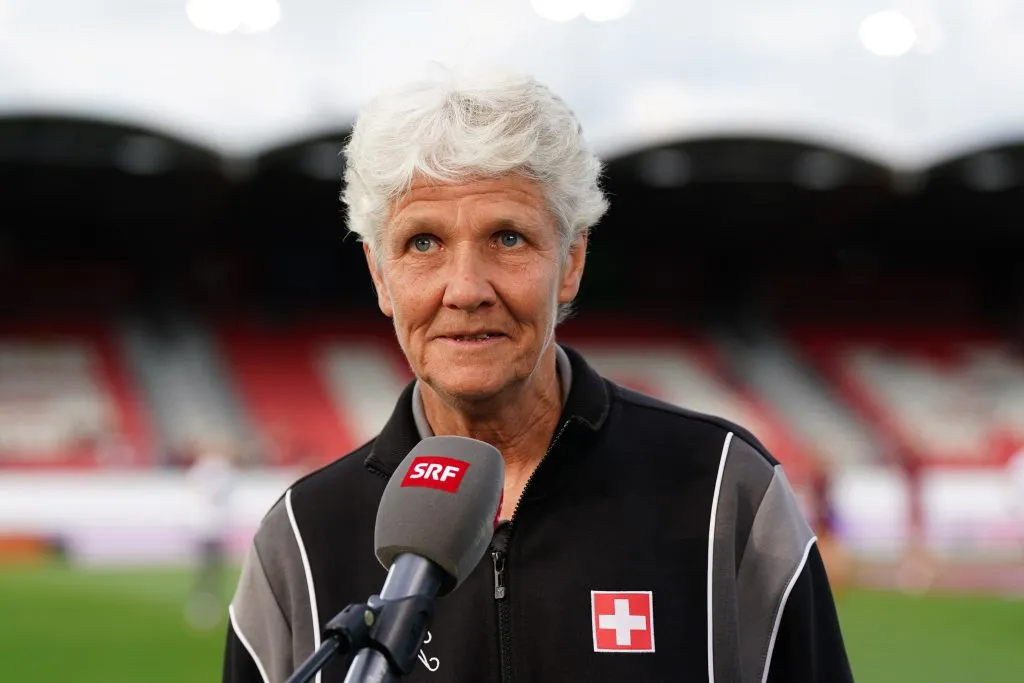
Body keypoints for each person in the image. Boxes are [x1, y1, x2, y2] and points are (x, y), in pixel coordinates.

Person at [223, 67, 853, 683]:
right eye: (422, 243)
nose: (465, 289)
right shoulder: (300, 542)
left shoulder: (724, 493)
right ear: (380, 275)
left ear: (571, 261)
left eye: (507, 238)